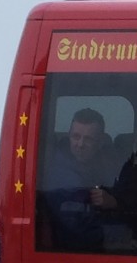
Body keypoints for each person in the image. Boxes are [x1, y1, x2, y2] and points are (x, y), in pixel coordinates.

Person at [41, 107, 129, 251]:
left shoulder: (114, 168)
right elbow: (74, 227)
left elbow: (135, 206)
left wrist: (113, 202)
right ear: (69, 136)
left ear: (100, 142)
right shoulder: (54, 172)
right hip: (68, 253)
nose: (80, 144)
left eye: (88, 139)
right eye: (76, 136)